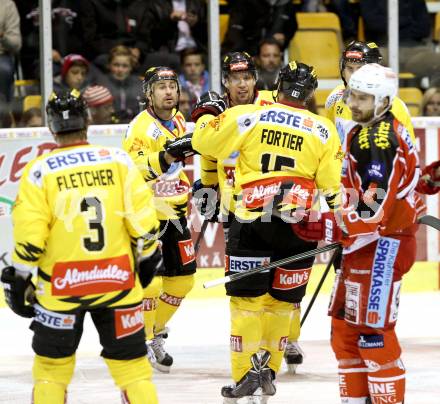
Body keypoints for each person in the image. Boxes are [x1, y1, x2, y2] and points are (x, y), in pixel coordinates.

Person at [168, 61, 343, 402]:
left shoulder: (250, 115)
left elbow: (204, 140)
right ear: (309, 94)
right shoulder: (324, 130)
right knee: (282, 303)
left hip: (251, 221)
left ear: (277, 86)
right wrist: (347, 223)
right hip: (298, 226)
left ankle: (244, 373)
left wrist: (205, 113)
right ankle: (270, 371)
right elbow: (333, 188)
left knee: (247, 302)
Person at [1, 89, 162, 404]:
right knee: (133, 372)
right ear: (87, 120)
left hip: (61, 288)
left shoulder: (40, 171)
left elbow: (30, 238)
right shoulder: (118, 161)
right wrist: (145, 261)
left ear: (51, 128)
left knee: (51, 371)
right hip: (117, 282)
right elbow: (144, 225)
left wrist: (21, 276)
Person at [329, 63, 423, 404]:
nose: (354, 103)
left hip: (384, 245)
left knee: (373, 335)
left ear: (382, 100)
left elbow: (373, 210)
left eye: (364, 98)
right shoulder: (364, 131)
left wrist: (331, 224)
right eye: (352, 95)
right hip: (366, 243)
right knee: (344, 332)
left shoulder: (375, 138)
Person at [122, 66, 196, 373]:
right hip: (146, 214)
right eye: (160, 87)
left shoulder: (178, 119)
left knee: (183, 281)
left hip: (175, 212)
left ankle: (154, 332)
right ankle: (143, 339)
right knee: (150, 284)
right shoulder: (140, 128)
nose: (168, 91)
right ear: (148, 94)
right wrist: (164, 157)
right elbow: (131, 170)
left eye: (172, 86)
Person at [325, 41, 416, 149]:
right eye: (350, 68)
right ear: (343, 72)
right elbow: (330, 140)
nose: (354, 75)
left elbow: (408, 151)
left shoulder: (394, 106)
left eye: (360, 69)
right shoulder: (335, 96)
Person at [221, 0, 297, 56]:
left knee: (271, 56)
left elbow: (292, 27)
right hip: (241, 51)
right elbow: (235, 34)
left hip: (269, 53)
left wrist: (285, 37)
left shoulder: (286, 4)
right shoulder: (244, 3)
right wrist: (250, 54)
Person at [99, 45, 144, 123]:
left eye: (125, 66)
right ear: (109, 65)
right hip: (106, 129)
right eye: (116, 65)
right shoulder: (100, 84)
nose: (120, 69)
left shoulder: (140, 85)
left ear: (131, 67)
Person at [0, 0, 21, 103]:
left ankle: (3, 114)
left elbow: (16, 44)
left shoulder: (7, 5)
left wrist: (2, 36)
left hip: (1, 55)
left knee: (3, 70)